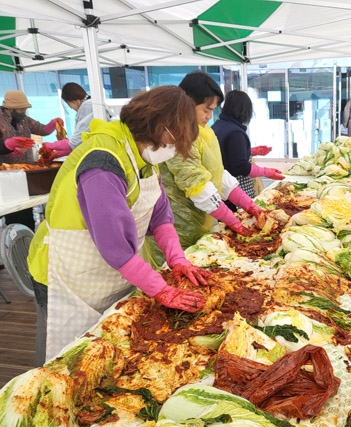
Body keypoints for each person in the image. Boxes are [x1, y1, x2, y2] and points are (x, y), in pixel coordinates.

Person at [27, 85, 210, 364]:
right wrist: (161, 289)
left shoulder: (144, 155)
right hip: (66, 273)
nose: (174, 150)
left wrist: (178, 260)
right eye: (176, 140)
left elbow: (161, 217)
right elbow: (114, 245)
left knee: (103, 351)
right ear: (159, 127)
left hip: (106, 272)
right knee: (64, 358)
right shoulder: (103, 161)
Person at [147, 71, 268, 267]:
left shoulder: (203, 130)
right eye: (206, 109)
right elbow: (198, 185)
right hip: (176, 230)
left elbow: (216, 172)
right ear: (187, 103)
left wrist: (248, 204)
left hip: (199, 224)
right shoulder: (174, 134)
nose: (210, 116)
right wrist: (233, 221)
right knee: (173, 274)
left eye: (213, 110)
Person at [0, 90, 63, 230]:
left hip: (25, 172)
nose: (24, 111)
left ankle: (27, 235)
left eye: (25, 108)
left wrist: (53, 124)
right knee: (13, 212)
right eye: (21, 109)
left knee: (25, 212)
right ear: (10, 108)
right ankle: (15, 237)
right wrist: (8, 146)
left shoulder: (24, 119)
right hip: (6, 175)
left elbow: (42, 130)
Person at [212, 90, 284, 205]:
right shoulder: (235, 133)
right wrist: (266, 172)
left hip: (220, 192)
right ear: (244, 111)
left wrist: (252, 151)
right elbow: (240, 167)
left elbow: (227, 153)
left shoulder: (217, 126)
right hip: (234, 196)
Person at [43, 82, 114, 160]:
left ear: (72, 101)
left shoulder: (87, 106)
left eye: (68, 104)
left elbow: (76, 142)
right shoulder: (92, 103)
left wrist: (51, 146)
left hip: (101, 156)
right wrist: (56, 154)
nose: (71, 108)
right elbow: (80, 144)